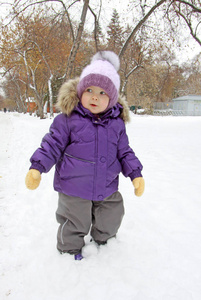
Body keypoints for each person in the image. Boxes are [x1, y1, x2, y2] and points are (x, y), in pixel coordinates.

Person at [25, 51, 145, 260]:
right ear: (80, 92)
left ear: (112, 98)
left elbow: (124, 151)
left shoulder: (117, 124)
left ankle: (105, 243)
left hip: (107, 185)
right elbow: (52, 145)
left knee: (112, 215)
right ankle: (68, 252)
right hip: (74, 187)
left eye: (102, 93)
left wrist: (136, 173)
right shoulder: (68, 119)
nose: (94, 96)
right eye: (89, 90)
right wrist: (37, 167)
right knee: (74, 220)